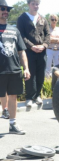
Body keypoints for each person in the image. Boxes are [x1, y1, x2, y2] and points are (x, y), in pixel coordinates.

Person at [0, 0, 31, 134]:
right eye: (3, 8)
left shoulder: (14, 30)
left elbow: (21, 51)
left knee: (13, 96)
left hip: (14, 69)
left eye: (7, 9)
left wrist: (26, 68)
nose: (6, 11)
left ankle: (13, 124)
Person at [17, 0, 50, 107]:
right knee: (30, 74)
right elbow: (21, 35)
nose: (36, 6)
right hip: (29, 52)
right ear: (28, 4)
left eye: (37, 4)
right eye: (34, 4)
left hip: (42, 51)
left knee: (40, 74)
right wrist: (32, 46)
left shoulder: (42, 18)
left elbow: (48, 34)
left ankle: (38, 95)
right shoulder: (22, 18)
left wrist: (44, 45)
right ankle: (29, 97)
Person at [45, 14, 59, 78]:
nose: (54, 21)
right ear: (49, 20)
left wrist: (53, 39)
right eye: (52, 19)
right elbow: (48, 40)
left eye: (55, 19)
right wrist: (57, 39)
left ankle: (56, 80)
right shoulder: (47, 29)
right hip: (49, 49)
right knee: (48, 67)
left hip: (58, 50)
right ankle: (47, 82)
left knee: (57, 67)